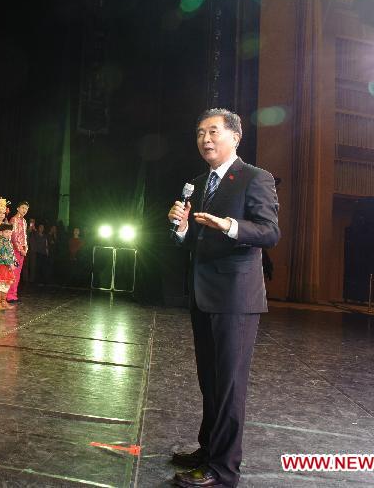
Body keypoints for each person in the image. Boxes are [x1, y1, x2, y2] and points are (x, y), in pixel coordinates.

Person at [167, 108, 280, 488]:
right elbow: (190, 241)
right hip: (203, 296)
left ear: (235, 136)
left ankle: (223, 469)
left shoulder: (255, 178)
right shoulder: (199, 183)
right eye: (199, 133)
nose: (205, 139)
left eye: (213, 131)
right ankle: (208, 449)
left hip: (235, 298)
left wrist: (229, 226)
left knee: (229, 386)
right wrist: (180, 230)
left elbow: (268, 232)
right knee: (210, 382)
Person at [7, 201, 29, 304]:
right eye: (23, 208)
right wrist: (20, 249)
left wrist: (25, 249)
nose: (24, 210)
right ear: (18, 208)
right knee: (13, 272)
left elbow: (25, 236)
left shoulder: (24, 221)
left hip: (22, 251)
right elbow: (14, 237)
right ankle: (9, 295)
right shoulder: (14, 220)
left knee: (18, 273)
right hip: (15, 250)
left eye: (26, 209)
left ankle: (13, 294)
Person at [0, 223, 16, 311]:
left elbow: (11, 254)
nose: (8, 234)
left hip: (8, 266)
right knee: (0, 284)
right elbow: (3, 254)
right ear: (1, 232)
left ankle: (3, 302)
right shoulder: (1, 241)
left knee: (6, 284)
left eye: (10, 232)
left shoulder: (8, 242)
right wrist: (10, 263)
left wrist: (14, 262)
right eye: (6, 232)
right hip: (2, 266)